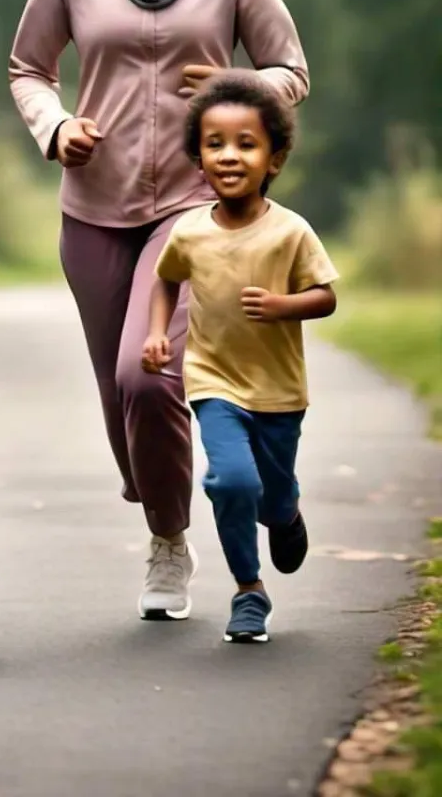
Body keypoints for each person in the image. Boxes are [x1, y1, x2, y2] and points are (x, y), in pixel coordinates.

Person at [9, 0, 310, 622]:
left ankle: (170, 542)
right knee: (120, 394)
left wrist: (231, 91)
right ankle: (175, 517)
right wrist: (56, 126)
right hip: (94, 210)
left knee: (149, 379)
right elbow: (28, 68)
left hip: (195, 209)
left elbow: (288, 68)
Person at [142, 71, 338, 643]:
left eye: (246, 144)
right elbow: (165, 281)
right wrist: (158, 335)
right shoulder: (189, 232)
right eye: (214, 144)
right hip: (212, 380)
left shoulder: (290, 233)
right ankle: (248, 589)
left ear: (274, 159)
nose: (229, 156)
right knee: (230, 482)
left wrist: (284, 304)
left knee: (270, 493)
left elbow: (326, 296)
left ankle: (285, 512)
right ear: (198, 158)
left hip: (278, 390)